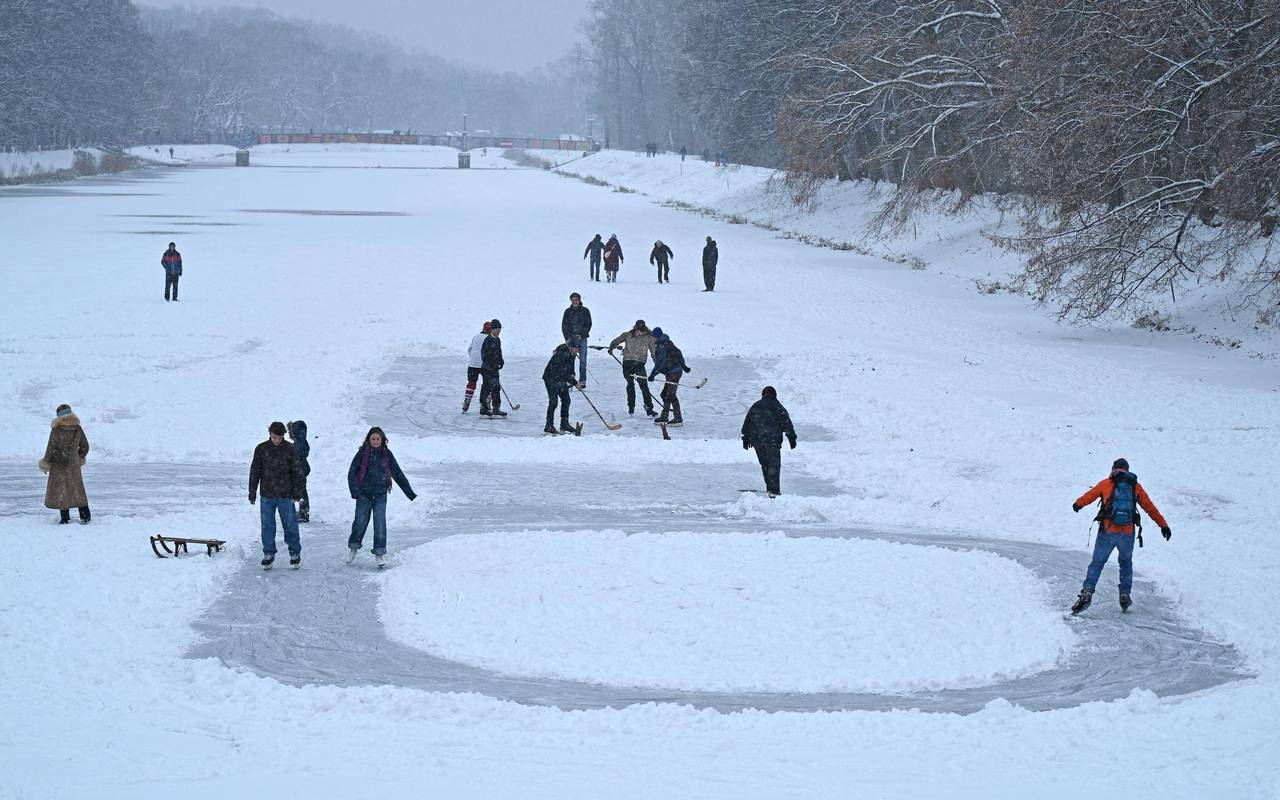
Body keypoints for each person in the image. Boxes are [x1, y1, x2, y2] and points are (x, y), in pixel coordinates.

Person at [1069, 458, 1172, 614]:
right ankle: (1125, 593)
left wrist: (1078, 504)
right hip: (1127, 533)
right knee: (1125, 563)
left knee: (1097, 562)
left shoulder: (1106, 483)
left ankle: (1087, 592)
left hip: (1107, 531)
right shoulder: (1135, 487)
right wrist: (1163, 525)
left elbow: (1089, 496)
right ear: (1127, 470)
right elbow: (1150, 508)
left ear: (1113, 469)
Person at [346, 426, 416, 567]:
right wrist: (355, 492)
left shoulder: (387, 455)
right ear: (369, 440)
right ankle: (354, 547)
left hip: (380, 495)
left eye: (378, 439)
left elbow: (397, 473)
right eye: (373, 439)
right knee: (360, 522)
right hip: (364, 494)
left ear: (382, 439)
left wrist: (409, 493)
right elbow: (352, 473)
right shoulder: (362, 453)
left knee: (380, 524)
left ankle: (379, 552)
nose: (376, 441)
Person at [248, 421, 306, 569]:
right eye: (274, 437)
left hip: (286, 496)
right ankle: (268, 553)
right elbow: (255, 471)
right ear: (270, 434)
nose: (276, 440)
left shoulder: (290, 449)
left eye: (279, 438)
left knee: (290, 526)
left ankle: (295, 553)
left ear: (283, 436)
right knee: (267, 526)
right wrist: (252, 491)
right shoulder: (261, 449)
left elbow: (298, 472)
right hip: (267, 495)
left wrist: (298, 492)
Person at [39, 404, 91, 525]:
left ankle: (65, 518)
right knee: (77, 490)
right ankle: (85, 516)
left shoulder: (56, 430)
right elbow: (85, 447)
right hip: (74, 466)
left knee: (62, 491)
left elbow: (50, 448)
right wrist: (78, 458)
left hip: (59, 465)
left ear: (59, 416)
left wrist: (46, 462)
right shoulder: (78, 428)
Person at [741, 387, 797, 497]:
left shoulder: (756, 406)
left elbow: (747, 423)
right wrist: (792, 438)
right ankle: (774, 490)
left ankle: (769, 487)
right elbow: (786, 422)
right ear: (775, 395)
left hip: (758, 441)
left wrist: (746, 438)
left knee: (765, 464)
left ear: (763, 394)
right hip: (773, 441)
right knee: (774, 465)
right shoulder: (778, 407)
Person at [608, 319, 657, 416]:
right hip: (639, 364)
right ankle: (648, 408)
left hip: (627, 363)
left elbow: (616, 341)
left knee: (630, 385)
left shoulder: (628, 334)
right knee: (643, 386)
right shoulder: (649, 337)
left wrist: (611, 348)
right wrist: (658, 365)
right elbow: (653, 353)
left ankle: (631, 407)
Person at [649, 327, 691, 425]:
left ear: (657, 336)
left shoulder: (662, 346)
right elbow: (678, 353)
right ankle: (666, 415)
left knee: (669, 395)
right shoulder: (667, 342)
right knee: (665, 394)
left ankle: (676, 418)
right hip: (672, 372)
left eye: (653, 337)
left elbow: (660, 363)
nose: (652, 339)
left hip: (674, 373)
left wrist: (652, 375)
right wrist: (683, 366)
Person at [542, 341, 579, 434]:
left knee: (566, 400)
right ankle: (548, 425)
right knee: (553, 402)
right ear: (572, 347)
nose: (578, 350)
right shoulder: (562, 354)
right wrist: (575, 383)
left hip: (560, 378)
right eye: (577, 348)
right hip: (551, 377)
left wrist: (573, 376)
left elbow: (569, 369)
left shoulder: (572, 354)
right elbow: (563, 372)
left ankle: (564, 424)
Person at [561, 292, 592, 385]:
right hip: (571, 339)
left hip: (582, 339)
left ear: (579, 300)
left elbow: (588, 324)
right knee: (570, 360)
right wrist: (568, 338)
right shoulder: (567, 311)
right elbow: (564, 326)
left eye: (576, 300)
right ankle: (571, 379)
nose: (574, 301)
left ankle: (582, 381)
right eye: (573, 300)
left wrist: (582, 335)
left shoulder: (585, 311)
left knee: (583, 361)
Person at [464, 320, 492, 413]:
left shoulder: (476, 336)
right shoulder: (490, 338)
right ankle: (486, 403)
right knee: (488, 384)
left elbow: (470, 349)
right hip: (485, 365)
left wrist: (474, 358)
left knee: (471, 383)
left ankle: (467, 401)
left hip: (472, 364)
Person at [479, 319, 506, 418]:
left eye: (500, 329)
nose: (499, 331)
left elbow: (499, 352)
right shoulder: (488, 340)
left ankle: (496, 408)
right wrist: (489, 366)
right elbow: (484, 355)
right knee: (486, 387)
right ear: (493, 329)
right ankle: (484, 408)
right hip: (487, 369)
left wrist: (501, 361)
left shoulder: (497, 340)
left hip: (495, 369)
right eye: (497, 329)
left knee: (496, 388)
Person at [287, 420, 311, 522]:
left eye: (290, 432)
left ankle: (304, 513)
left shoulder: (299, 444)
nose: (289, 434)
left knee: (301, 492)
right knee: (301, 491)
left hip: (299, 471)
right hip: (300, 470)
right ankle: (303, 511)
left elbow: (298, 457)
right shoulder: (299, 442)